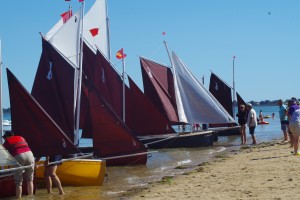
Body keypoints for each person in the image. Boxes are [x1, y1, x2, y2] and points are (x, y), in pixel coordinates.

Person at [2, 131, 34, 199]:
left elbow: (3, 152)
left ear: (7, 137)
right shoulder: (21, 137)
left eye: (5, 138)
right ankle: (31, 197)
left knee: (18, 182)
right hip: (30, 154)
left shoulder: (8, 141)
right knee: (30, 179)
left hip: (19, 155)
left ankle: (18, 198)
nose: (5, 139)